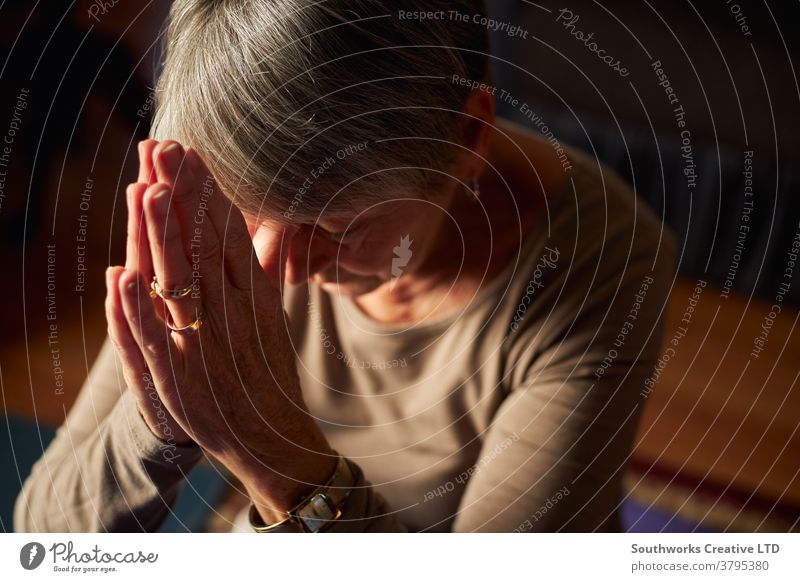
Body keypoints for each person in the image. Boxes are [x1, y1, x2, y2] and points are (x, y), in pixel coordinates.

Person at [15, 0, 676, 533]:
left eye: (333, 225)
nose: (278, 270)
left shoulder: (605, 260)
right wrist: (166, 412)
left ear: (466, 138)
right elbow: (45, 532)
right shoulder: (205, 208)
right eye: (244, 207)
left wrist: (282, 467)